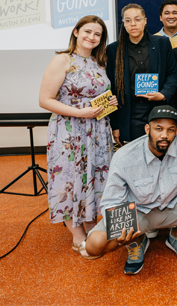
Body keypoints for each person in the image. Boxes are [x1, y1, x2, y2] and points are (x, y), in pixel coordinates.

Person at [85, 105, 177, 274]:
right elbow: (112, 201)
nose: (164, 135)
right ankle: (137, 241)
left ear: (176, 131)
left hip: (173, 206)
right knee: (95, 245)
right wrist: (121, 233)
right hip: (138, 213)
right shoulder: (124, 156)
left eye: (170, 130)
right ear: (147, 129)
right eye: (158, 128)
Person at [39, 15, 117, 260]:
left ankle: (91, 223)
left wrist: (109, 103)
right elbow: (45, 100)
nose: (91, 37)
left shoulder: (98, 62)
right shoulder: (62, 59)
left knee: (93, 175)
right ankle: (76, 234)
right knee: (72, 176)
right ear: (75, 32)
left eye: (97, 34)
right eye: (87, 32)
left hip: (97, 130)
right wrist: (80, 112)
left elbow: (96, 98)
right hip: (70, 131)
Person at [106, 3, 177, 144]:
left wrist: (163, 94)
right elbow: (112, 89)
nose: (133, 24)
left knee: (161, 153)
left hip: (158, 108)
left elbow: (172, 74)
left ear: (145, 21)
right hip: (130, 112)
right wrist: (115, 126)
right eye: (128, 20)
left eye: (137, 19)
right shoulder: (114, 49)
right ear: (124, 24)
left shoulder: (161, 43)